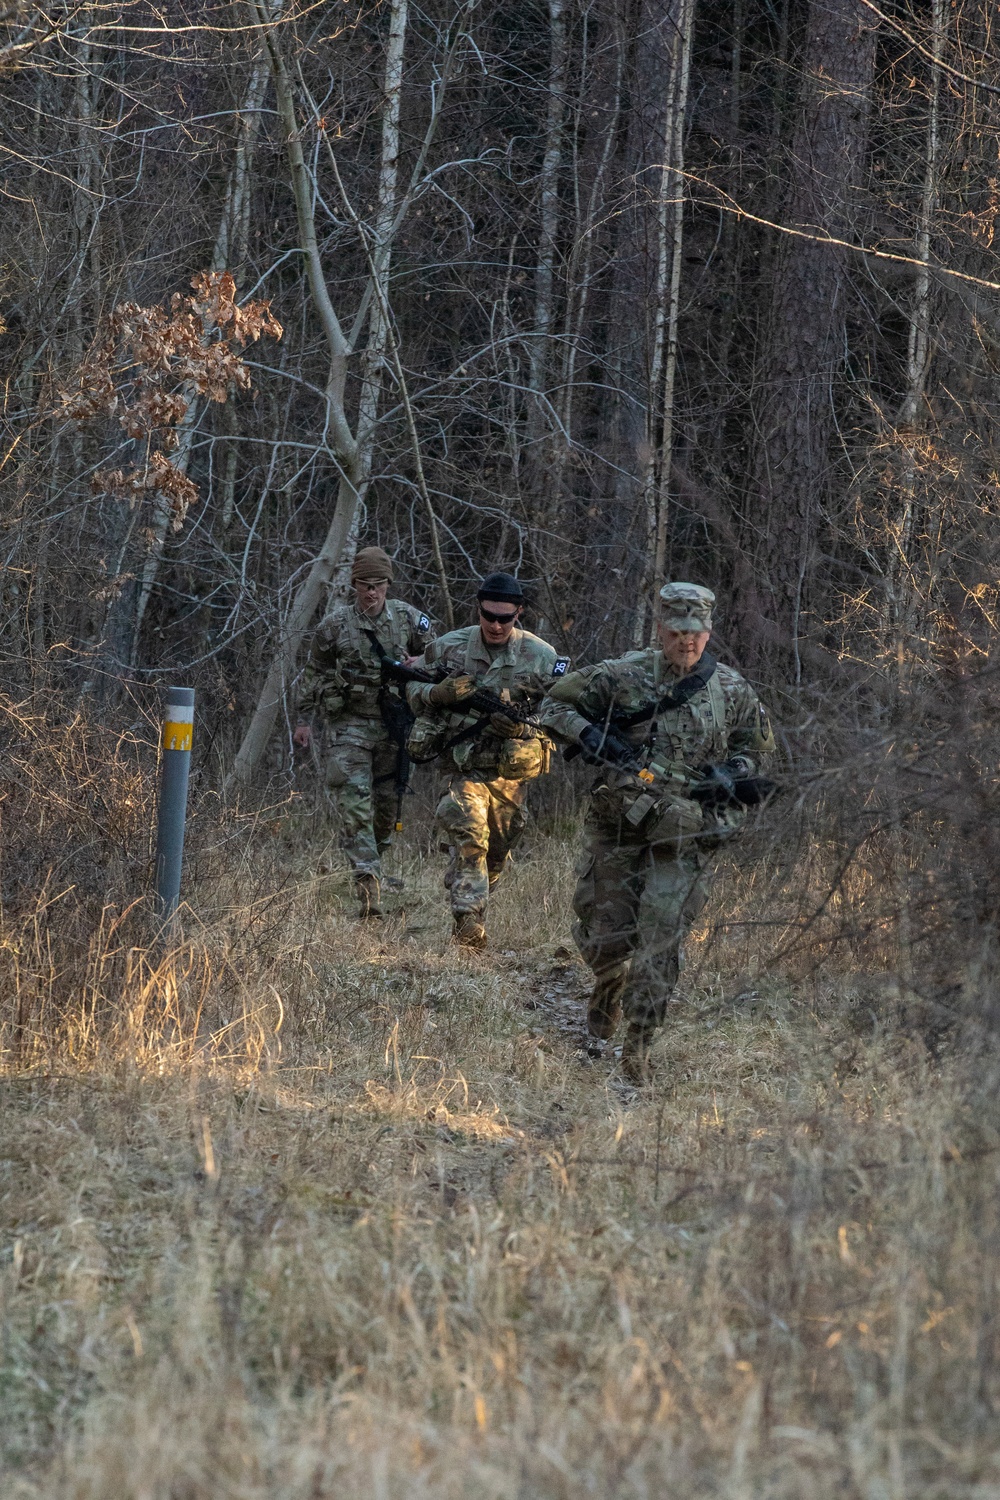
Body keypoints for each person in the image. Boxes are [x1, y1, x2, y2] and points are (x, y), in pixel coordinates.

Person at [538, 582, 775, 1082]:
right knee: (604, 934)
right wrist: (592, 736)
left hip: (686, 831)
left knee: (661, 937)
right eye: (677, 631)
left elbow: (756, 750)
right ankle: (608, 985)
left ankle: (638, 1045)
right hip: (618, 823)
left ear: (709, 631)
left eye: (696, 632)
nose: (687, 642)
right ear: (660, 628)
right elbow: (552, 706)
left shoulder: (731, 689)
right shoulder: (621, 675)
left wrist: (731, 772)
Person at [405, 572, 568, 950]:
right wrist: (437, 694)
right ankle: (468, 921)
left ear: (519, 613)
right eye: (488, 616)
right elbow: (411, 686)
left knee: (497, 851)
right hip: (461, 764)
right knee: (470, 836)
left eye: (505, 618)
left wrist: (521, 728)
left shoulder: (542, 656)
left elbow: (562, 712)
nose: (496, 625)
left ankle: (472, 885)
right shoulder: (449, 647)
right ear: (477, 610)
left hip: (509, 772)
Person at [294, 546, 434, 918]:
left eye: (378, 585)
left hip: (395, 727)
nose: (372, 592)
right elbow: (314, 670)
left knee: (387, 809)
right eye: (364, 585)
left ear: (388, 584)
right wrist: (304, 719)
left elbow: (439, 658)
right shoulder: (335, 625)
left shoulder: (409, 619)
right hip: (350, 724)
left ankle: (372, 862)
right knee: (354, 804)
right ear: (354, 585)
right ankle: (367, 884)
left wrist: (419, 662)